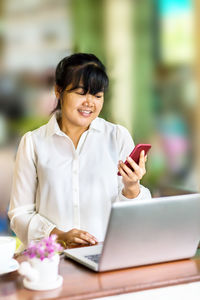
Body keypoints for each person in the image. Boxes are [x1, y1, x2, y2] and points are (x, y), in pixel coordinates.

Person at [8, 53, 151, 251]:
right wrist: (59, 236)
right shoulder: (33, 143)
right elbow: (19, 214)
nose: (89, 102)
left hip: (104, 255)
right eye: (81, 92)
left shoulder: (117, 137)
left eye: (97, 95)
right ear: (58, 91)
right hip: (50, 258)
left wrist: (132, 186)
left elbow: (135, 219)